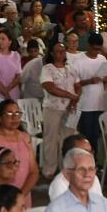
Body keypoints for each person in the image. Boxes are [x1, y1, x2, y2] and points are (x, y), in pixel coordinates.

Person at [38, 42, 78, 179]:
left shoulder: (71, 68)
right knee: (51, 139)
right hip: (52, 108)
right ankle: (49, 169)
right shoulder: (47, 69)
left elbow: (78, 85)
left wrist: (74, 99)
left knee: (67, 139)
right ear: (52, 54)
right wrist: (71, 96)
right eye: (58, 51)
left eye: (63, 51)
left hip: (70, 109)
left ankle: (64, 168)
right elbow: (50, 88)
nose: (61, 53)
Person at [0, 99, 37, 193]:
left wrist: (21, 195)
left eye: (17, 113)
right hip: (0, 194)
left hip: (23, 194)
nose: (14, 117)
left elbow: (34, 172)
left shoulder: (25, 137)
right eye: (9, 114)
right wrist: (9, 198)